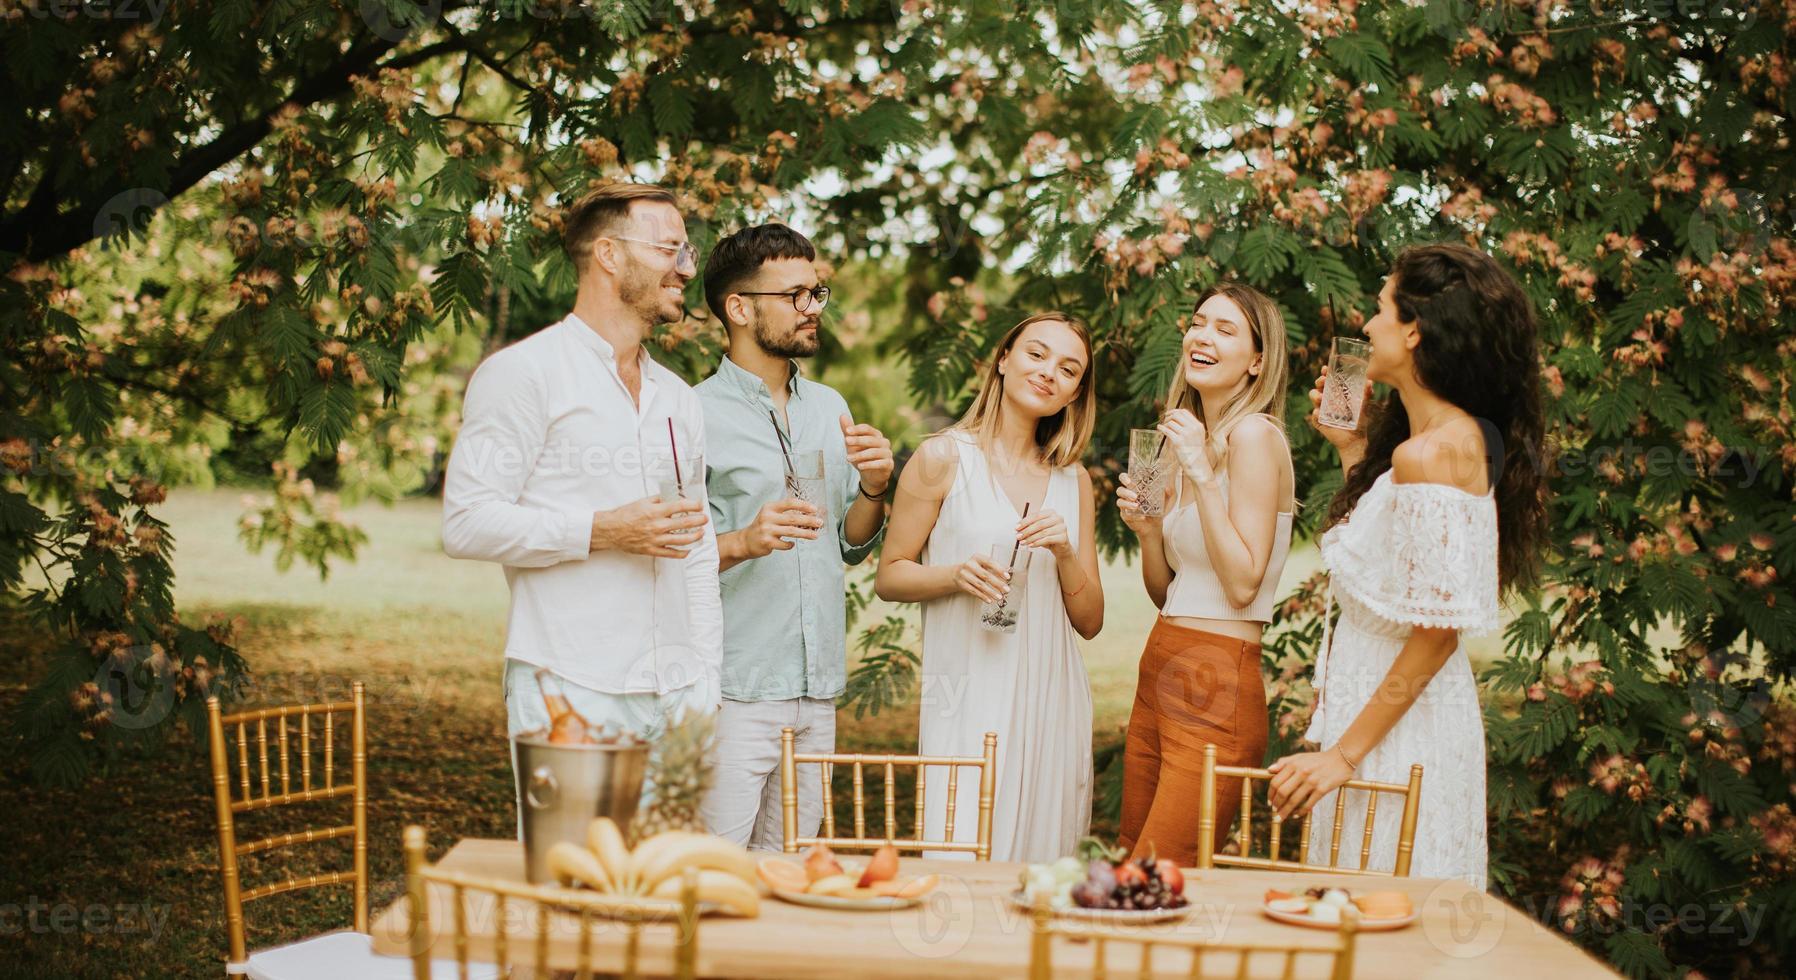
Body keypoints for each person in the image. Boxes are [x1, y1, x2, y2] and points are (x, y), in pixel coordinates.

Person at [1268, 243, 1547, 890]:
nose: (1367, 325)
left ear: (1415, 328)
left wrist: (1343, 755)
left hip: (1398, 727)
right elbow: (1391, 566)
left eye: (1379, 308)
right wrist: (1351, 448)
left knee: (1384, 911)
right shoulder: (1426, 448)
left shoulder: (1435, 453)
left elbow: (1436, 629)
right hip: (1378, 711)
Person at [441, 183, 723, 815]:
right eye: (670, 249)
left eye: (688, 252)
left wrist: (706, 684)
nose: (685, 268)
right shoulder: (522, 374)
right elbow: (465, 523)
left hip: (679, 699)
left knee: (664, 887)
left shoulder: (679, 397)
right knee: (573, 893)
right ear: (609, 255)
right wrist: (601, 531)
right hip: (569, 687)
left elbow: (698, 549)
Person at [875, 312, 1104, 863]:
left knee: (1044, 867)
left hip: (1051, 696)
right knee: (961, 852)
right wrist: (954, 575)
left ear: (1075, 394)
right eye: (1037, 354)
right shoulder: (942, 458)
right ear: (1004, 359)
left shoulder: (1076, 481)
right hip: (968, 691)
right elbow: (890, 574)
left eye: (1069, 369)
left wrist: (1066, 552)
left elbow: (1092, 621)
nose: (1050, 372)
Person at [693, 223, 894, 850]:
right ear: (739, 308)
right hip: (733, 692)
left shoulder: (830, 404)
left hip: (818, 694)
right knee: (708, 873)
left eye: (817, 293)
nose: (813, 309)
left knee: (786, 872)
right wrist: (745, 540)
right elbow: (667, 558)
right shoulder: (690, 413)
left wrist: (876, 486)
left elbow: (848, 543)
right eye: (796, 295)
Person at [1114, 281, 1294, 866]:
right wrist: (1148, 534)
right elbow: (1170, 592)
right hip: (1161, 656)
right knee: (1128, 856)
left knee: (1167, 868)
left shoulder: (1254, 437)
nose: (1203, 336)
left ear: (1258, 361)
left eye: (1226, 328)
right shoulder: (1189, 443)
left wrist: (1203, 474)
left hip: (1217, 676)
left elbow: (1243, 584)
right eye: (1198, 322)